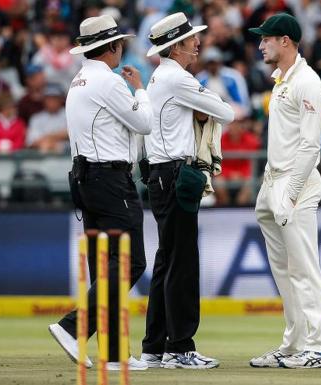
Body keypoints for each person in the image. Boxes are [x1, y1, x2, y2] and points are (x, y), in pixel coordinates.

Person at [47, 14, 153, 372]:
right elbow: (144, 123)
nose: (122, 47)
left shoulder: (78, 80)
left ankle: (111, 352)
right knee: (130, 261)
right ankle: (72, 327)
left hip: (85, 178)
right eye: (119, 43)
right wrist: (140, 90)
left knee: (103, 266)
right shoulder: (108, 82)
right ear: (111, 47)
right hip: (109, 179)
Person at [140, 12, 234, 370]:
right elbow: (227, 113)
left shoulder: (160, 77)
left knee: (167, 261)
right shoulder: (177, 79)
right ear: (176, 45)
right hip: (175, 174)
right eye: (191, 39)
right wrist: (203, 106)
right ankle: (180, 347)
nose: (197, 43)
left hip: (162, 175)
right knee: (182, 264)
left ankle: (154, 346)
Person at [248, 13, 321, 369]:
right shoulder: (281, 80)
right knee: (284, 270)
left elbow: (310, 147)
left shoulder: (309, 83)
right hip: (273, 181)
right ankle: (295, 343)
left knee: (303, 268)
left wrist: (290, 192)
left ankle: (320, 349)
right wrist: (271, 190)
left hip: (295, 184)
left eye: (266, 39)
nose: (260, 45)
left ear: (285, 41)